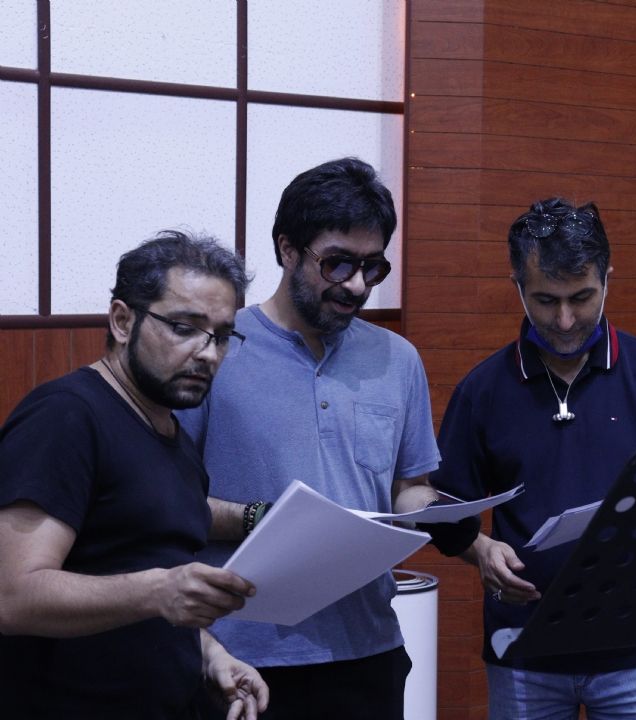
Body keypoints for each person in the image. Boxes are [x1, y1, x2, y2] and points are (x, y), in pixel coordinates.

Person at [179, 157, 469, 720]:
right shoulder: (216, 351)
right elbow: (166, 506)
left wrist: (436, 514)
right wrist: (268, 520)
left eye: (372, 267)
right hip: (240, 656)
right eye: (337, 263)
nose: (356, 285)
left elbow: (407, 487)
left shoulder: (397, 359)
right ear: (287, 249)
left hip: (369, 649)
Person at [429, 198, 636, 719]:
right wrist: (481, 550)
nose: (564, 320)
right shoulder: (482, 390)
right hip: (523, 647)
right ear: (518, 285)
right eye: (545, 300)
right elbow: (446, 511)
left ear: (607, 279)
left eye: (582, 297)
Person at [0, 231, 270, 720]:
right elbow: (12, 596)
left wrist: (211, 656)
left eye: (222, 335)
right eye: (184, 328)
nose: (208, 353)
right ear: (123, 321)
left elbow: (150, 580)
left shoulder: (174, 436)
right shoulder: (65, 417)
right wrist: (158, 590)